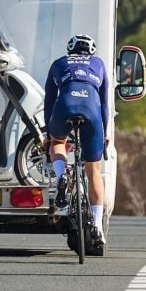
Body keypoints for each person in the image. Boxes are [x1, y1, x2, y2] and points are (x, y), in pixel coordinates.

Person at [44, 34, 110, 245]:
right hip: (91, 111)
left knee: (58, 143)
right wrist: (105, 131)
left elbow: (48, 100)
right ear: (91, 51)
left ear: (70, 50)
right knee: (94, 171)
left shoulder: (59, 63)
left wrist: (50, 134)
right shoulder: (98, 64)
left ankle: (62, 175)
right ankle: (98, 227)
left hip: (64, 107)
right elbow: (105, 103)